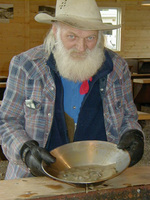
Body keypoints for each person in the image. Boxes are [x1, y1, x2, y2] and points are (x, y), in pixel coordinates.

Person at [0, 0, 144, 180]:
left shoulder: (118, 68)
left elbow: (129, 117)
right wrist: (25, 151)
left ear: (99, 36)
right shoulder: (25, 66)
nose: (81, 48)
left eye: (90, 38)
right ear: (55, 30)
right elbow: (6, 121)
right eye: (72, 37)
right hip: (36, 179)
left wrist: (134, 133)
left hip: (102, 176)